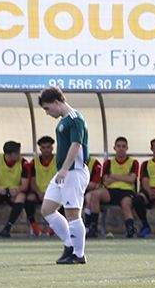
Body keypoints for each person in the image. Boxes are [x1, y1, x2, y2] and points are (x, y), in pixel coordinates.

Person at [36, 87, 91, 265]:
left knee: (73, 214)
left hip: (73, 172)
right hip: (65, 172)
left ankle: (79, 254)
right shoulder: (64, 120)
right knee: (47, 209)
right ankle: (69, 245)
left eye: (47, 108)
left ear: (56, 102)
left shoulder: (75, 119)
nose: (47, 112)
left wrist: (65, 169)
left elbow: (76, 145)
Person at [102, 136, 142, 237]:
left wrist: (113, 176)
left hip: (127, 191)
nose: (121, 149)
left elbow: (131, 179)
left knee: (126, 204)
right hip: (110, 191)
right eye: (118, 146)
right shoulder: (108, 163)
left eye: (123, 146)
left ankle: (130, 229)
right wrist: (125, 177)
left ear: (127, 148)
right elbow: (105, 182)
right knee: (93, 195)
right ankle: (91, 227)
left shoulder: (133, 162)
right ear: (114, 148)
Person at [23, 135, 60, 236]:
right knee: (29, 199)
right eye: (43, 147)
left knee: (64, 200)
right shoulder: (34, 162)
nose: (46, 150)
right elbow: (32, 181)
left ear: (52, 148)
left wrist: (51, 194)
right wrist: (39, 192)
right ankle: (34, 225)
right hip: (39, 192)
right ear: (40, 149)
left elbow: (62, 179)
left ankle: (53, 226)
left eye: (48, 147)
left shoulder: (58, 160)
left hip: (54, 193)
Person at [82, 153, 106, 236]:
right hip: (74, 191)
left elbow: (94, 185)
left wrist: (77, 184)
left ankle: (89, 226)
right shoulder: (70, 162)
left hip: (87, 191)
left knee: (89, 197)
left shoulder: (95, 163)